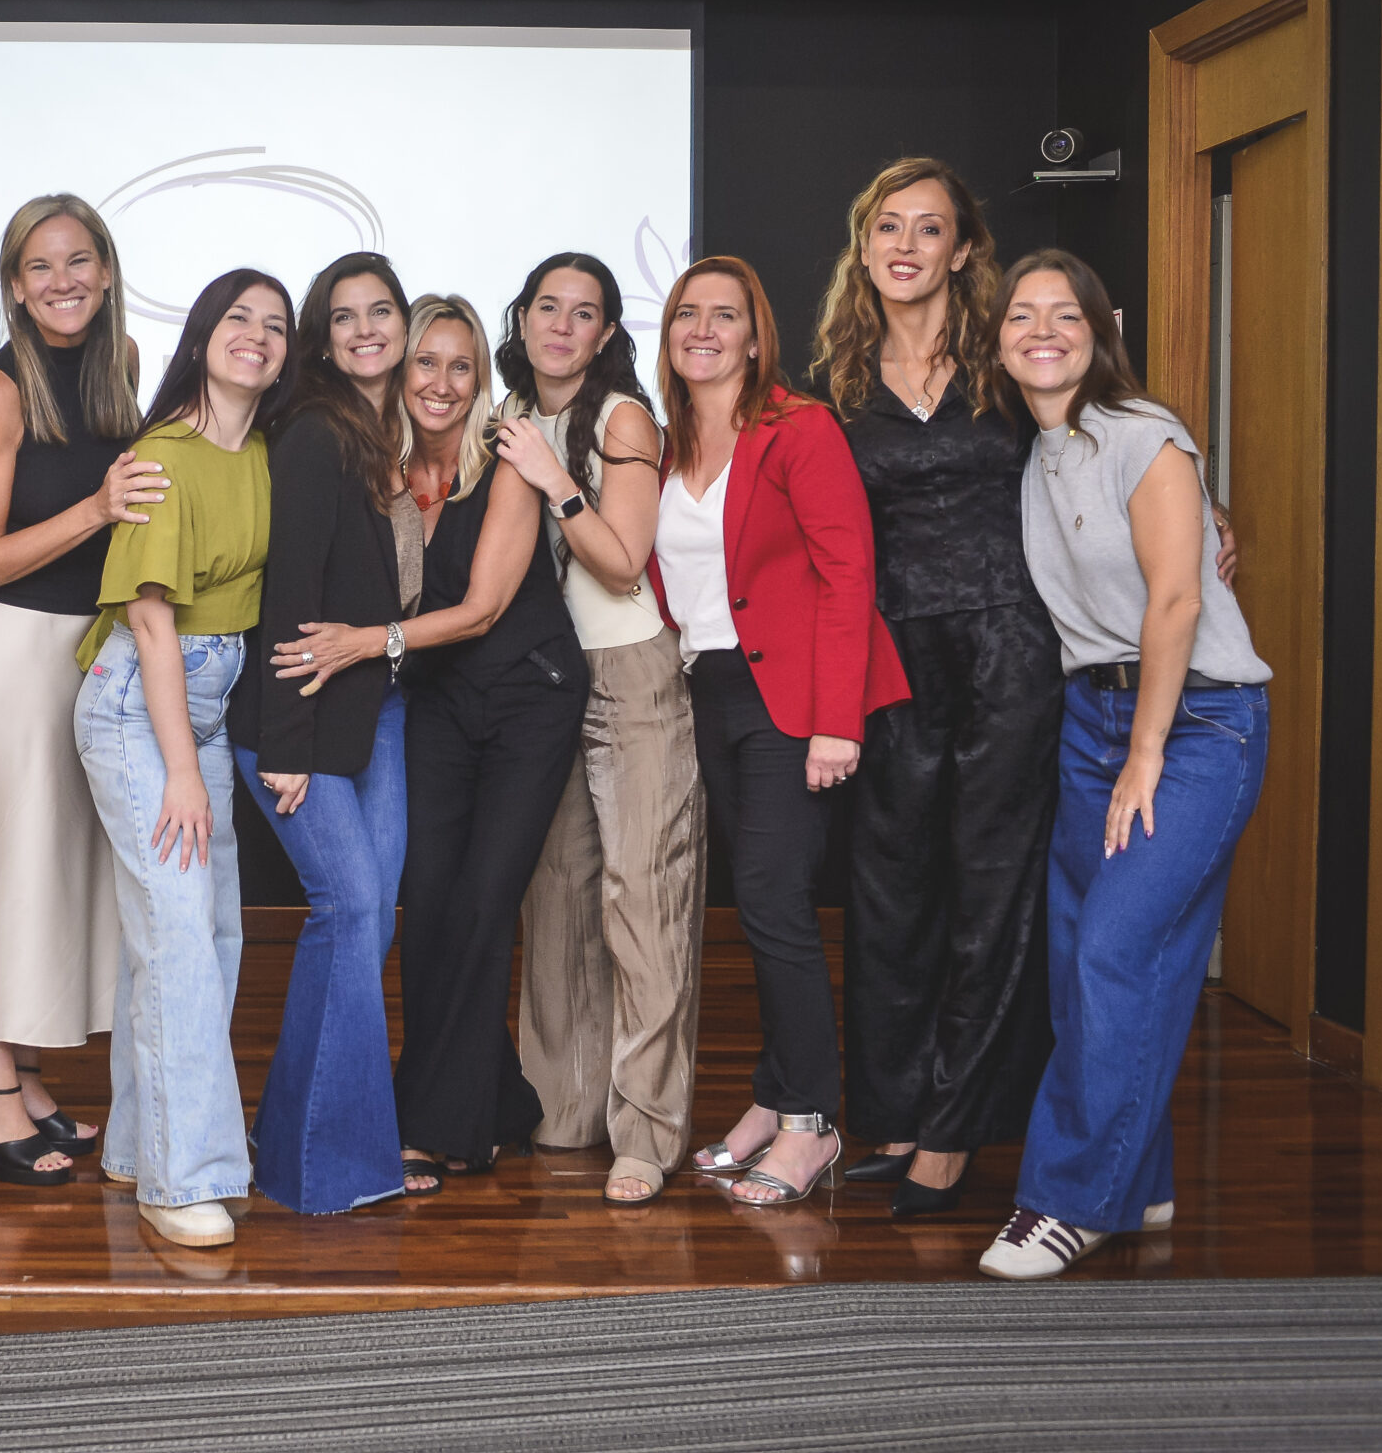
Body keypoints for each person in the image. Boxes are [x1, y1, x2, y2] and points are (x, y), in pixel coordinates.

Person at [980, 249, 1271, 1280]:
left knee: (1115, 947)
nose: (1042, 328)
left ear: (1103, 330)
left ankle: (1065, 1201)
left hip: (1195, 724)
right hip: (1089, 718)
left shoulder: (1141, 435)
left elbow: (1178, 603)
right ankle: (1136, 1175)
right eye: (1023, 315)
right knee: (1082, 962)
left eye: (1065, 313)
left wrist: (1145, 752)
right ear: (1001, 336)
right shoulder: (1038, 449)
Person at [275, 296, 584, 1186]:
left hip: (530, 696)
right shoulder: (381, 468)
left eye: (460, 366)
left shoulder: (510, 463)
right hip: (440, 704)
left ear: (480, 376)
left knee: (486, 902)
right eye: (425, 364)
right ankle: (499, 1102)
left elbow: (484, 608)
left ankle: (443, 1125)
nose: (441, 384)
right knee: (432, 906)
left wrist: (363, 645)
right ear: (398, 372)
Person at [810, 159, 1057, 1217]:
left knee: (991, 889)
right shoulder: (836, 384)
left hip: (1008, 644)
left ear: (963, 251)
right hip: (889, 657)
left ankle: (954, 1139)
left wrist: (1202, 509)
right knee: (889, 894)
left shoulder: (1009, 358)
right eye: (886, 228)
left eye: (929, 229)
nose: (905, 246)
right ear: (864, 248)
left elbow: (1107, 439)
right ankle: (903, 1115)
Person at [649, 256, 909, 1207]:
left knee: (775, 904)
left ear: (757, 338)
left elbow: (849, 574)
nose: (704, 330)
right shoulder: (669, 442)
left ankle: (811, 1125)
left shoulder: (798, 429)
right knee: (759, 905)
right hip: (712, 693)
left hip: (794, 704)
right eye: (687, 314)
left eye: (726, 316)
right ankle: (771, 1096)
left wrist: (836, 723)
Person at [0, 194, 157, 1184]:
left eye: (78, 261)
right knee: (0, 871)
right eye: (40, 267)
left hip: (84, 652)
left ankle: (30, 1076)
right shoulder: (1, 391)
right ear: (14, 285)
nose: (62, 282)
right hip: (9, 649)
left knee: (53, 875)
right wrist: (99, 510)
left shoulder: (121, 366)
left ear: (103, 270)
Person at [77, 268, 291, 1247]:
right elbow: (153, 622)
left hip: (199, 706)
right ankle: (180, 1178)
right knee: (179, 947)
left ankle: (134, 1143)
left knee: (203, 938)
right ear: (202, 334)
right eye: (238, 318)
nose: (256, 335)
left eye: (275, 326)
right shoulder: (164, 455)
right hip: (140, 707)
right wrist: (177, 769)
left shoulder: (258, 457)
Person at [493, 252, 703, 1207]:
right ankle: (564, 1107)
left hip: (629, 672)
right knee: (559, 899)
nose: (562, 326)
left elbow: (620, 563)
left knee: (641, 897)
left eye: (585, 313)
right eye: (548, 307)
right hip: (543, 682)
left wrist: (550, 479)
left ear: (609, 333)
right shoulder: (502, 416)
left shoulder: (622, 419)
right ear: (524, 316)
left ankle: (647, 1131)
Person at [230, 252, 421, 1213]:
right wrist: (287, 748)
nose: (363, 329)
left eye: (378, 310)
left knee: (366, 921)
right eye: (341, 317)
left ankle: (286, 1137)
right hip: (299, 724)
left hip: (373, 713)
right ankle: (326, 1170)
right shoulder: (313, 431)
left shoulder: (384, 433)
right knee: (349, 912)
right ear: (321, 335)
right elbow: (290, 596)